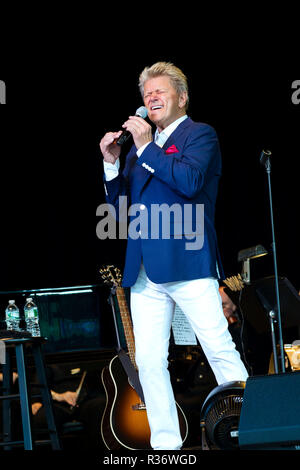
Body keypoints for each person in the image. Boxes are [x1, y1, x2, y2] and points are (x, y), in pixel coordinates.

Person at [99, 61, 248, 450]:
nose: (151, 98)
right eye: (147, 94)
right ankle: (166, 446)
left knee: (218, 347)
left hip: (188, 261)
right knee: (148, 362)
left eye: (159, 92)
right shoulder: (136, 151)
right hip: (145, 270)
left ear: (182, 97)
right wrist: (112, 165)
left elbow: (189, 182)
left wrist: (148, 147)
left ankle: (250, 430)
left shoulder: (201, 135)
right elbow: (119, 212)